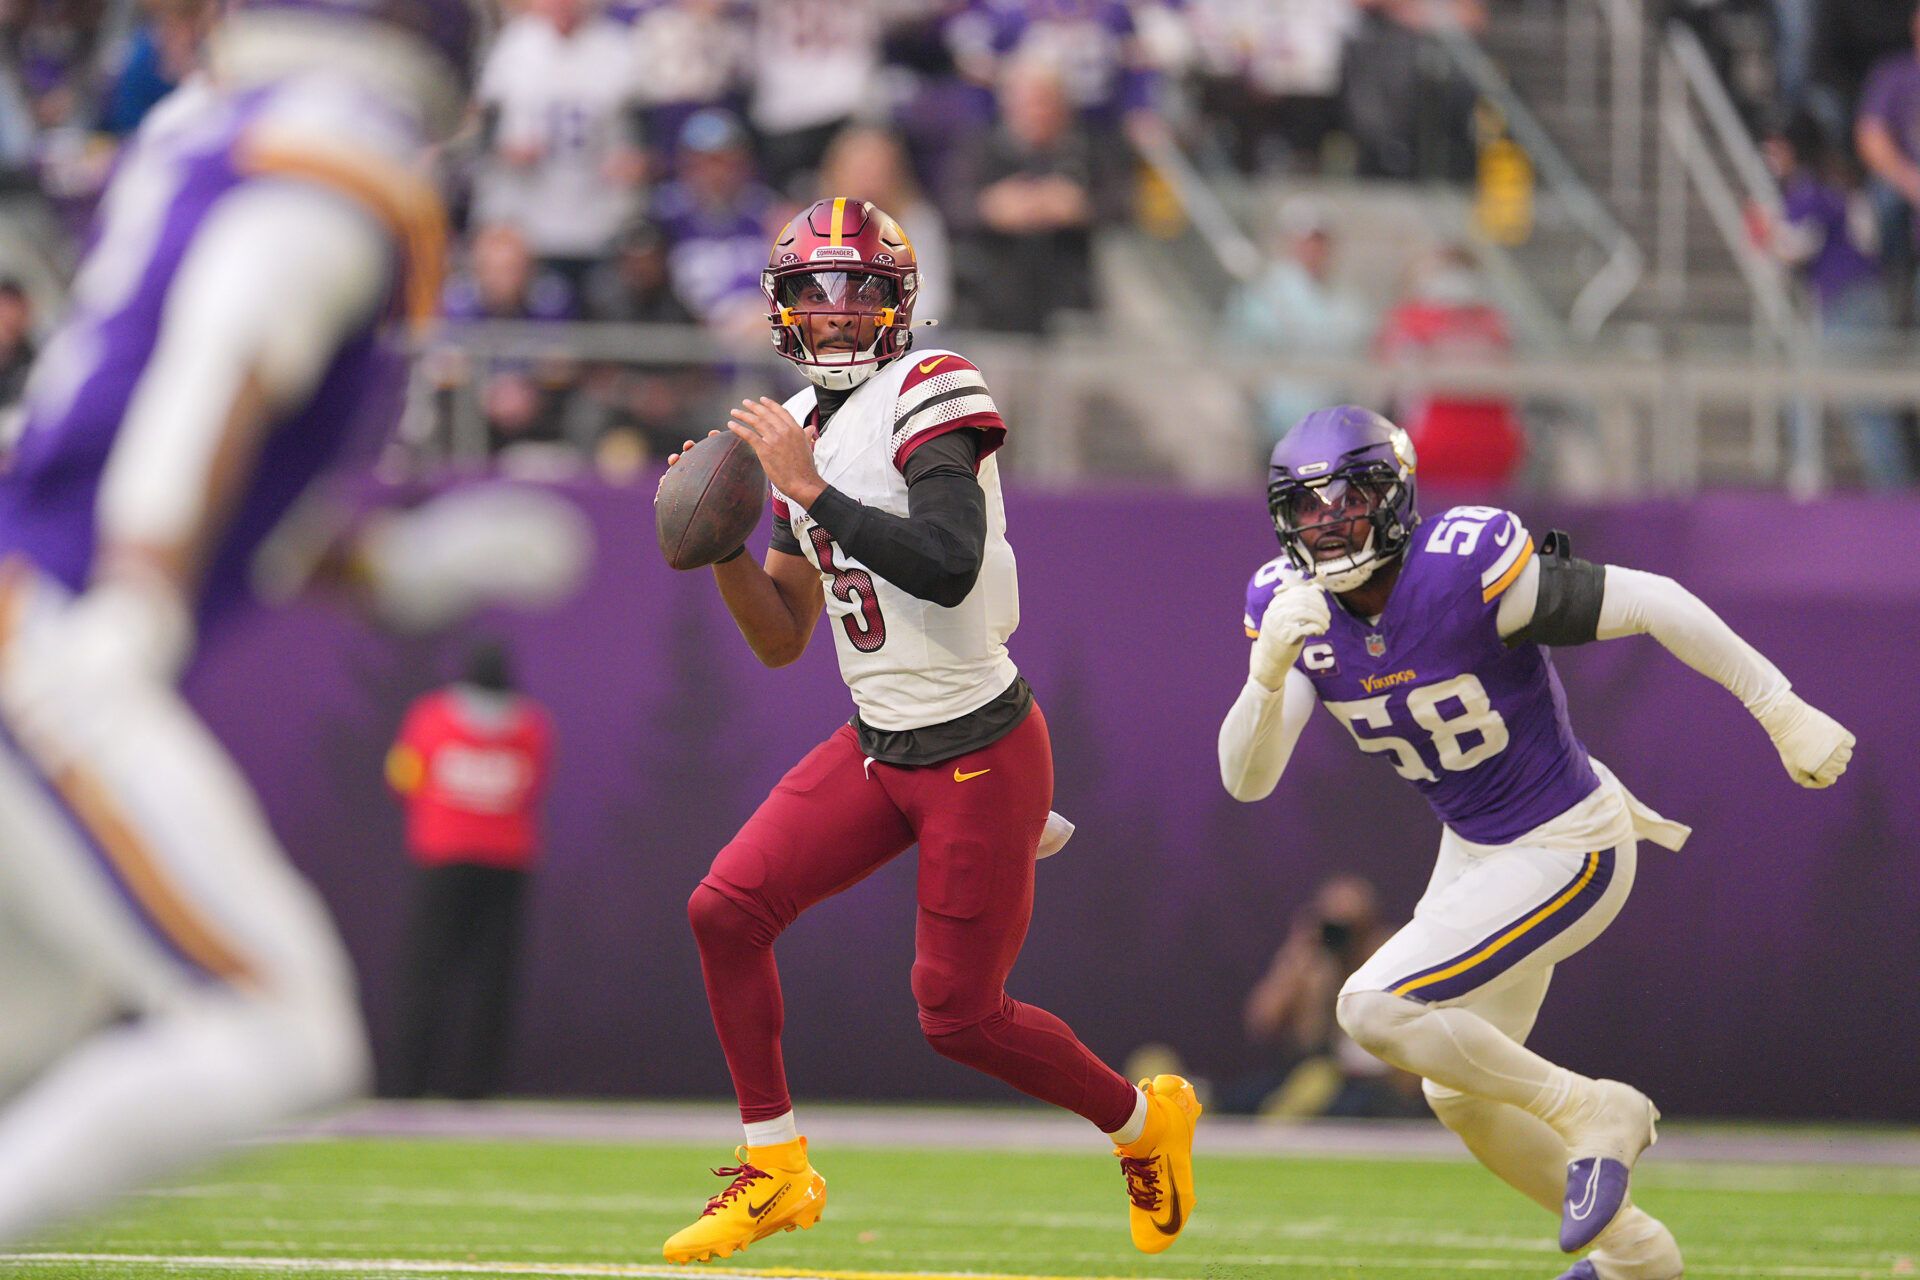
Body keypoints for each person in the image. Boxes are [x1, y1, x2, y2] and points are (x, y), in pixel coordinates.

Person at [0, 0, 494, 1242]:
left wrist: (390, 566)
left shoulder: (203, 132)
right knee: (282, 1024)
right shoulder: (335, 146)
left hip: (39, 592)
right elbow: (225, 349)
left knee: (27, 1038)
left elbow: (186, 429)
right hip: (45, 627)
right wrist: (142, 590)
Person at [657, 197, 1199, 1264]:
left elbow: (946, 560)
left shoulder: (931, 386)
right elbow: (780, 639)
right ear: (782, 311)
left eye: (861, 289)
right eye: (815, 292)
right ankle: (775, 1168)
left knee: (957, 1015)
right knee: (724, 909)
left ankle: (1143, 1122)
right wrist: (718, 538)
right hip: (878, 741)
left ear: (900, 303)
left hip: (980, 745)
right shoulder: (799, 434)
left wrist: (808, 488)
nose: (838, 311)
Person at [1217, 406, 1854, 1280]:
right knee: (1457, 1092)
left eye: (1348, 501)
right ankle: (1637, 1256)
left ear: (1395, 499)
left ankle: (1596, 1109)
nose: (1327, 524)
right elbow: (1246, 779)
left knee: (1372, 1008)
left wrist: (1780, 708)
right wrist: (1265, 678)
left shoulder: (1461, 568)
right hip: (1477, 848)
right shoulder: (1292, 613)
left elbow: (1653, 601)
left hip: (1568, 841)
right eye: (1307, 507)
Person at [385, 640, 553, 1101]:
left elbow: (403, 777)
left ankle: (407, 1085)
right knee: (491, 979)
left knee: (427, 972)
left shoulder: (430, 716)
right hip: (505, 864)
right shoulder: (531, 726)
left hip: (443, 860)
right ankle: (476, 1090)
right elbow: (534, 782)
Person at [1229, 874, 1421, 1118]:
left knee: (1347, 1104)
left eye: (1352, 927)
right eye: (1334, 926)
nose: (1343, 937)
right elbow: (1262, 1022)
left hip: (1371, 1087)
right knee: (1245, 1099)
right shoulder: (1310, 965)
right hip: (1311, 1074)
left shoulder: (1388, 963)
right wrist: (1295, 959)